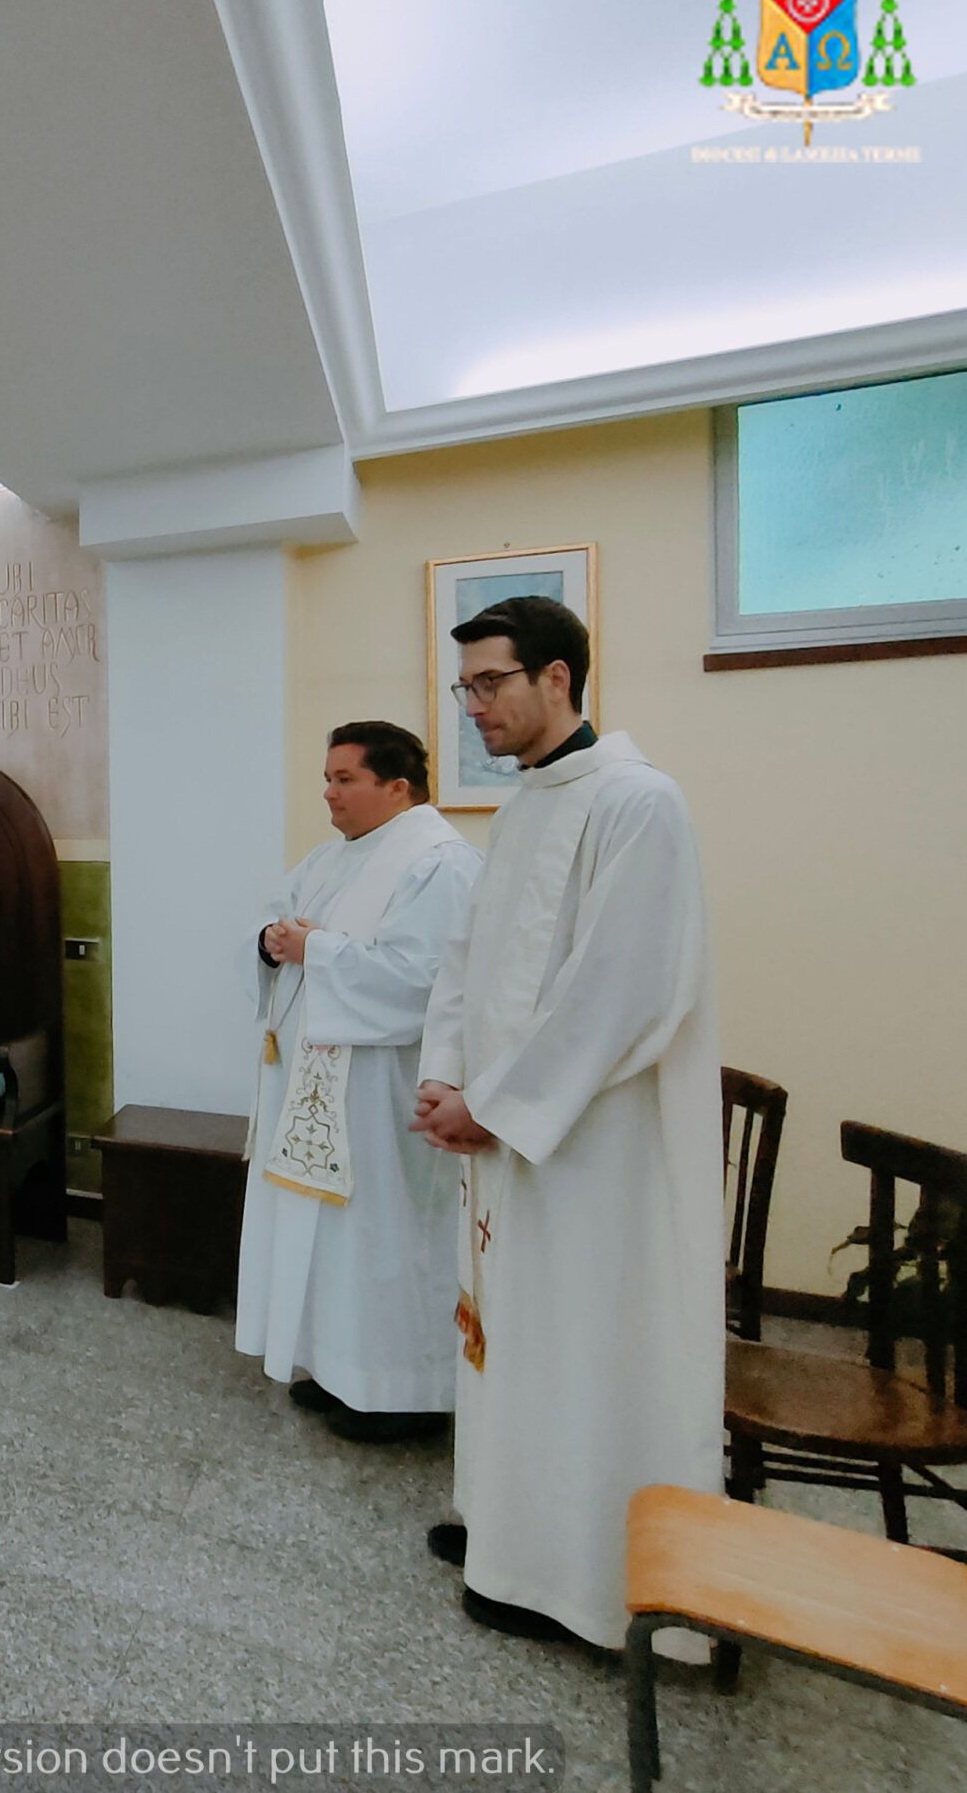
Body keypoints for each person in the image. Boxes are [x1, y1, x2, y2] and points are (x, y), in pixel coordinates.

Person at [412, 596, 721, 1652]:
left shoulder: (639, 804)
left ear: (558, 678)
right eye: (465, 689)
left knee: (583, 1344)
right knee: (511, 1337)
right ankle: (505, 1527)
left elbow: (623, 992)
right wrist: (441, 1078)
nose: (474, 708)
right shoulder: (524, 806)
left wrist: (491, 1107)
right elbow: (466, 962)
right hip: (502, 1140)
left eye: (489, 683)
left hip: (591, 1151)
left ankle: (575, 1571)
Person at [238, 723, 481, 1443]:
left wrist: (317, 949)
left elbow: (422, 981)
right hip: (317, 1090)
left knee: (385, 1238)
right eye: (327, 776)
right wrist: (270, 942)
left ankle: (406, 1395)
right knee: (330, 1240)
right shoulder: (329, 859)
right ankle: (340, 1371)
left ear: (396, 786)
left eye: (345, 778)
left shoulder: (439, 864)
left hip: (382, 1094)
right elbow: (276, 917)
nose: (328, 791)